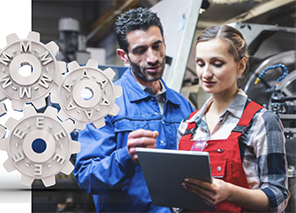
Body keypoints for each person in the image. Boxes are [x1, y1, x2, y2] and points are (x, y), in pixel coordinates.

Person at [74, 7, 195, 213]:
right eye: (140, 51)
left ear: (164, 42)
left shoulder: (184, 106)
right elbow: (87, 177)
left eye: (157, 46)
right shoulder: (104, 105)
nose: (153, 58)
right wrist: (125, 157)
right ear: (124, 55)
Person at [177, 25, 290, 213]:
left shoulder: (262, 121)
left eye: (217, 63)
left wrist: (230, 192)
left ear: (241, 65)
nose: (205, 74)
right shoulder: (188, 126)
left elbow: (278, 198)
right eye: (200, 63)